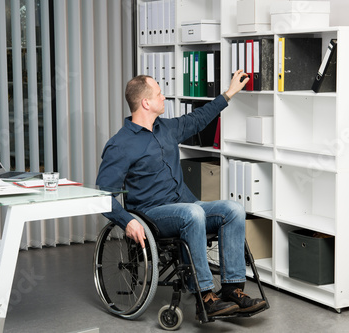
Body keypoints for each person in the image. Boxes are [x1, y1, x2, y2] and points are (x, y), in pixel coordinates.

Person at [96, 70, 267, 318]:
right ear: (145, 102)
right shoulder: (120, 145)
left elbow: (198, 119)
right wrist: (128, 221)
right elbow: (101, 195)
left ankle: (231, 289)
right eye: (159, 93)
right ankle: (204, 296)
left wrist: (229, 93)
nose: (164, 97)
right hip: (153, 215)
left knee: (233, 210)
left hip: (186, 207)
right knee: (193, 212)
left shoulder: (166, 128)